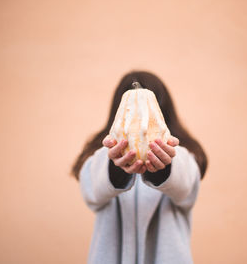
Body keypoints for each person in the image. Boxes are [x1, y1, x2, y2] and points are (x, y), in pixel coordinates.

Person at [71, 70, 208, 264]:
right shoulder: (100, 155)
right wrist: (115, 164)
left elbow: (185, 184)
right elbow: (92, 189)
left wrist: (163, 166)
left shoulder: (184, 155)